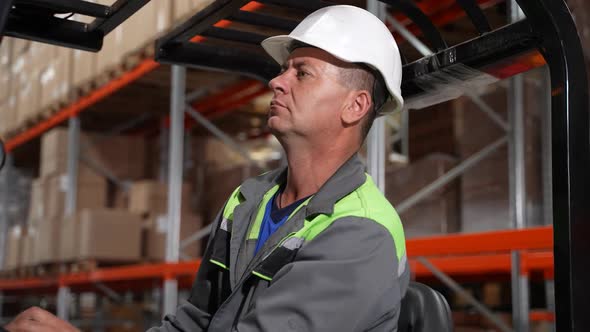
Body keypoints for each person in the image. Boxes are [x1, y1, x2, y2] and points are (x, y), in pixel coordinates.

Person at [4, 4, 409, 332]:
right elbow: (196, 321)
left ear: (354, 106)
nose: (277, 82)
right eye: (284, 69)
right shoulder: (249, 200)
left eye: (301, 73)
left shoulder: (361, 231)